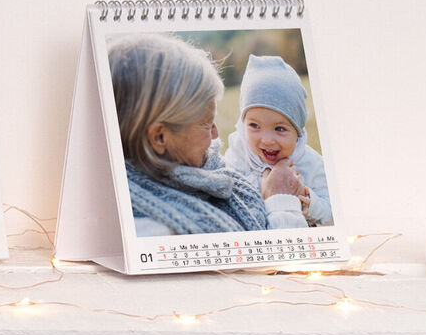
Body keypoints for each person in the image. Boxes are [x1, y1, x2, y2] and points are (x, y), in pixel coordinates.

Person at [109, 33, 307, 236]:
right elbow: (282, 266)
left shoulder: (206, 171)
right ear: (160, 137)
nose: (216, 134)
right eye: (206, 124)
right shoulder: (157, 232)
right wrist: (282, 203)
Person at [223, 55, 333, 226]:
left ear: (297, 131)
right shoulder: (239, 151)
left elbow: (333, 210)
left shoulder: (311, 163)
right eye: (254, 125)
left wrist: (310, 202)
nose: (266, 140)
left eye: (279, 129)